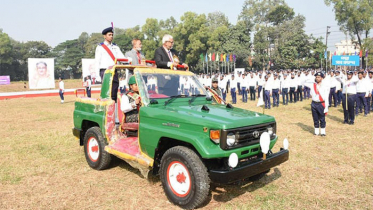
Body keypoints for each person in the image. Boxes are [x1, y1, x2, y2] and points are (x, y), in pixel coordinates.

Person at [95, 26, 127, 102]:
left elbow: (122, 58)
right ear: (104, 36)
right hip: (105, 71)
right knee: (107, 92)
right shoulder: (100, 47)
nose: (111, 36)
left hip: (114, 71)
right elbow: (97, 61)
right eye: (109, 35)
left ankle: (114, 109)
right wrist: (97, 75)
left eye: (112, 35)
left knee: (114, 91)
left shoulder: (115, 47)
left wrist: (128, 60)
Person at [303, 72, 329, 136]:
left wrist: (326, 107)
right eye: (316, 77)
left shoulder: (325, 85)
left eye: (319, 77)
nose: (317, 78)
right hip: (314, 103)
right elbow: (303, 82)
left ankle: (323, 131)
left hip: (321, 103)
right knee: (315, 118)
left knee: (322, 118)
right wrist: (311, 78)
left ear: (322, 78)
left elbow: (326, 97)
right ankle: (316, 131)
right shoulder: (313, 85)